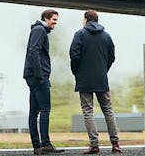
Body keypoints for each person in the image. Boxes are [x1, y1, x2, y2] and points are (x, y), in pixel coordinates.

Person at [69, 9, 122, 154]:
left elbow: (74, 56)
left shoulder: (79, 34)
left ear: (86, 19)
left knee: (88, 111)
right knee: (108, 110)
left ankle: (94, 145)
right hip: (101, 78)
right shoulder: (106, 36)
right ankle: (115, 143)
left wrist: (77, 72)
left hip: (84, 79)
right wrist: (103, 70)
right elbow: (112, 57)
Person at [23, 9, 65, 154]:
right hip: (37, 77)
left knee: (34, 112)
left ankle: (37, 146)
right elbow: (33, 51)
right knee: (45, 109)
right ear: (46, 18)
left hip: (32, 75)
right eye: (54, 20)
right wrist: (40, 75)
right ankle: (45, 144)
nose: (55, 23)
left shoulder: (38, 30)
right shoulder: (40, 30)